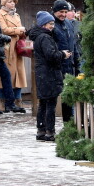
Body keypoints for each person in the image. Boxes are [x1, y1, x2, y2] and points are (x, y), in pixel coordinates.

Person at [28, 11, 71, 141]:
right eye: (50, 23)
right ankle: (50, 132)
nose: (52, 26)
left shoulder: (38, 37)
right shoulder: (45, 37)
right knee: (50, 103)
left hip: (42, 74)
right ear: (44, 24)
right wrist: (63, 54)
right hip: (49, 74)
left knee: (43, 103)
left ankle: (41, 131)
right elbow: (51, 56)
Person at [0, 0, 27, 110]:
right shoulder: (0, 15)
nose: (12, 3)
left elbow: (19, 30)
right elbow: (4, 30)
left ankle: (18, 100)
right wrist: (19, 30)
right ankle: (2, 101)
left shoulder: (16, 15)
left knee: (19, 74)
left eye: (13, 1)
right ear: (4, 3)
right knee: (5, 74)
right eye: (9, 1)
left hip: (17, 47)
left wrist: (23, 32)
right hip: (7, 46)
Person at [52, 0, 79, 123]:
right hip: (57, 65)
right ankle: (48, 127)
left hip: (69, 65)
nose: (63, 14)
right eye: (60, 12)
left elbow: (73, 44)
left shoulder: (68, 24)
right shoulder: (51, 25)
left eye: (65, 11)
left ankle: (69, 123)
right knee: (53, 97)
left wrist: (77, 62)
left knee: (68, 96)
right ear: (54, 11)